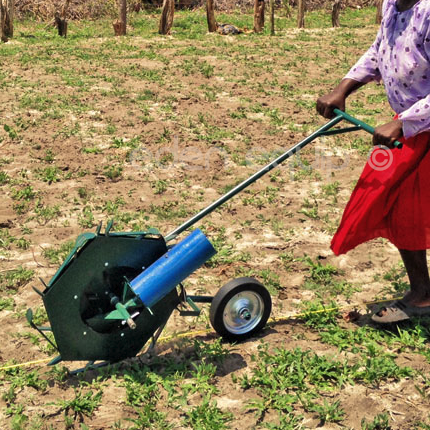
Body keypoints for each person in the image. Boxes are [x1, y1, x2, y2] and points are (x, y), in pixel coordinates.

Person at [316, 0, 430, 323]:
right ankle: (422, 290)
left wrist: (403, 122)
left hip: (419, 126)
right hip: (409, 129)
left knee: (408, 204)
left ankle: (423, 293)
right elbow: (380, 50)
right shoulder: (392, 5)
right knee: (389, 198)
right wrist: (343, 89)